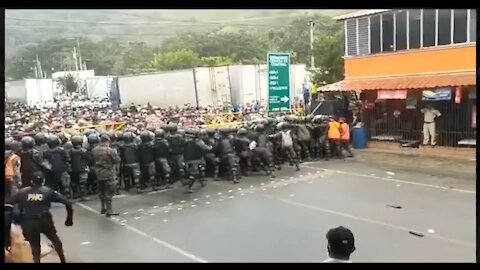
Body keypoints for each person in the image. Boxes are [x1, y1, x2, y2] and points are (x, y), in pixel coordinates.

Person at [11, 171, 73, 263]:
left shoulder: (22, 193)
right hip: (45, 220)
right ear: (43, 181)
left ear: (31, 181)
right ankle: (62, 259)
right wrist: (69, 219)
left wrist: (18, 216)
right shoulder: (48, 191)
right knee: (55, 240)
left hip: (29, 222)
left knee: (35, 246)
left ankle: (37, 261)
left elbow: (12, 202)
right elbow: (67, 202)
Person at [91, 134, 121, 217]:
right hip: (109, 173)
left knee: (101, 191)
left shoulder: (94, 150)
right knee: (109, 193)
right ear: (108, 141)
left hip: (99, 173)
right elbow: (117, 160)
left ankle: (102, 207)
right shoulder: (110, 150)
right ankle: (109, 210)